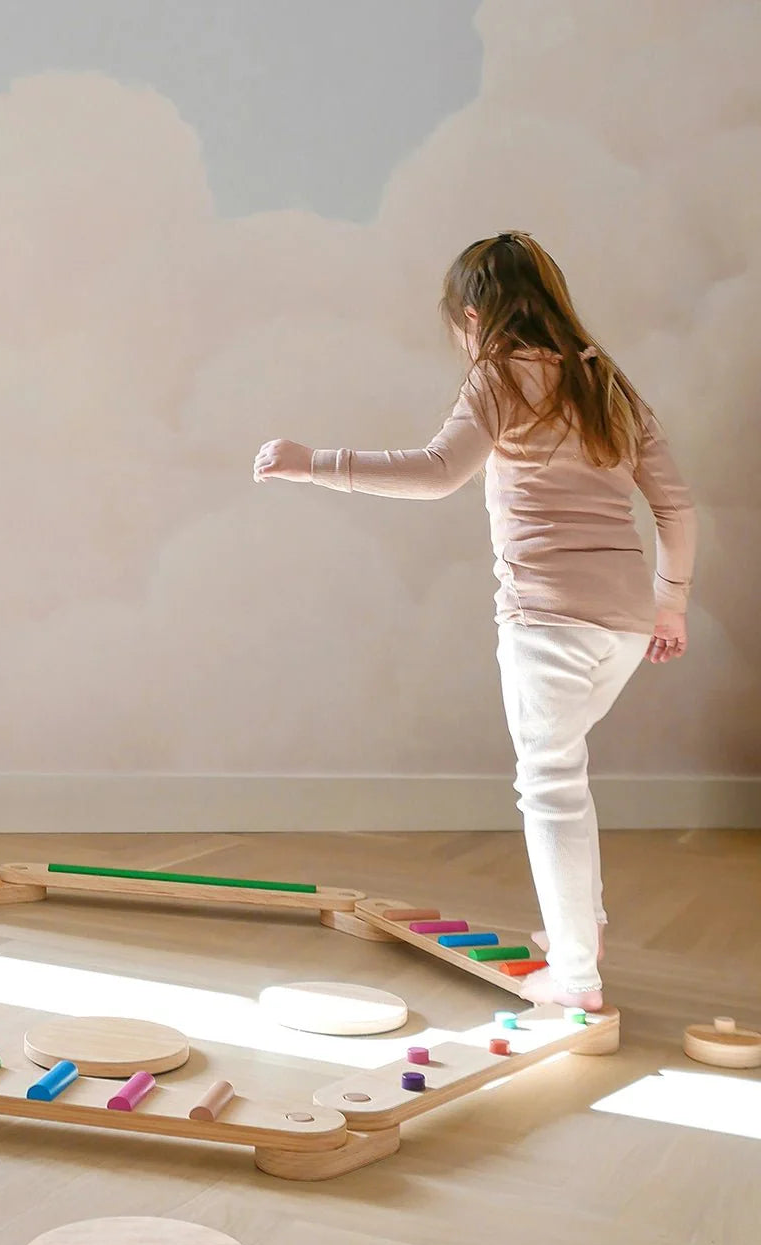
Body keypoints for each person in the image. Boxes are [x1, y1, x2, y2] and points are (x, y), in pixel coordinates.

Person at [252, 232, 696, 1009]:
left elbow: (435, 474)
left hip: (546, 618)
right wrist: (671, 602)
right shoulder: (609, 382)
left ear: (472, 315)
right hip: (625, 625)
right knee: (565, 769)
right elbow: (675, 507)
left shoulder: (498, 377)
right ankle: (573, 936)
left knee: (550, 780)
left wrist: (311, 462)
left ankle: (578, 978)